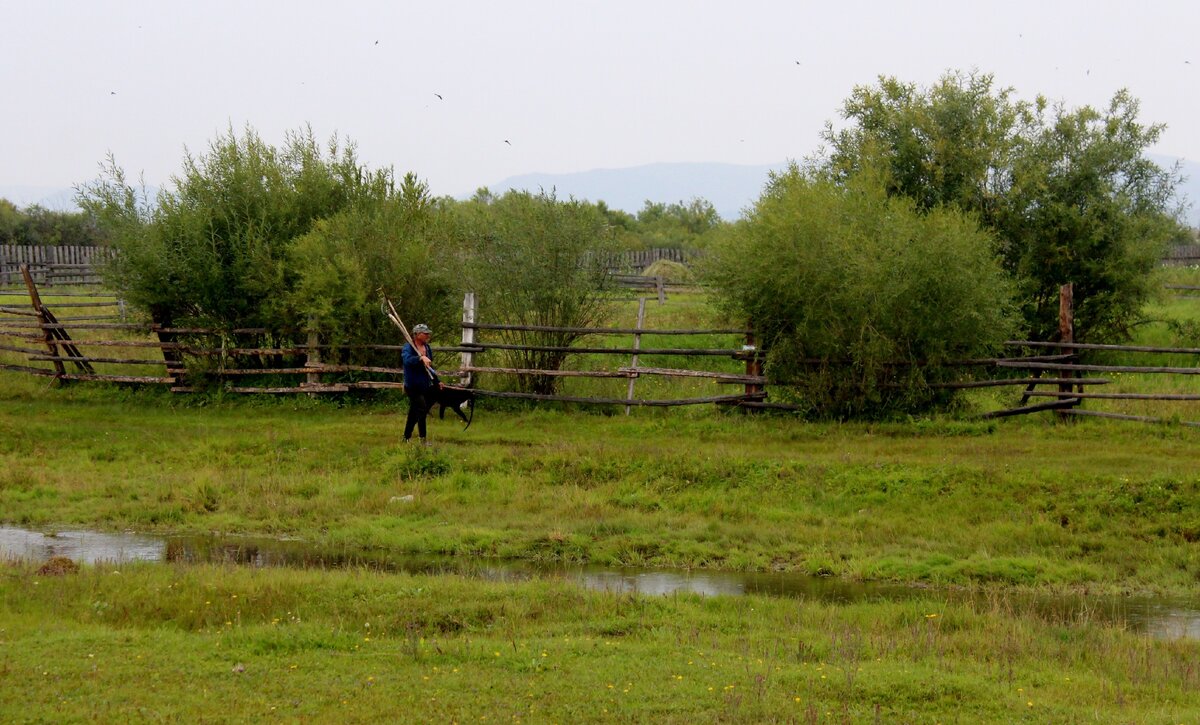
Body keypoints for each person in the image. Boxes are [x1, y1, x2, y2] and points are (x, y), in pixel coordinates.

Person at [401, 323, 442, 445]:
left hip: (424, 385)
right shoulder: (408, 347)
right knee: (422, 409)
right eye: (425, 333)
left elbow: (430, 367)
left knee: (414, 412)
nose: (428, 335)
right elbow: (407, 361)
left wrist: (437, 381)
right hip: (412, 386)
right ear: (418, 334)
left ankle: (406, 438)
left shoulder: (427, 347)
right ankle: (423, 440)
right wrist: (420, 358)